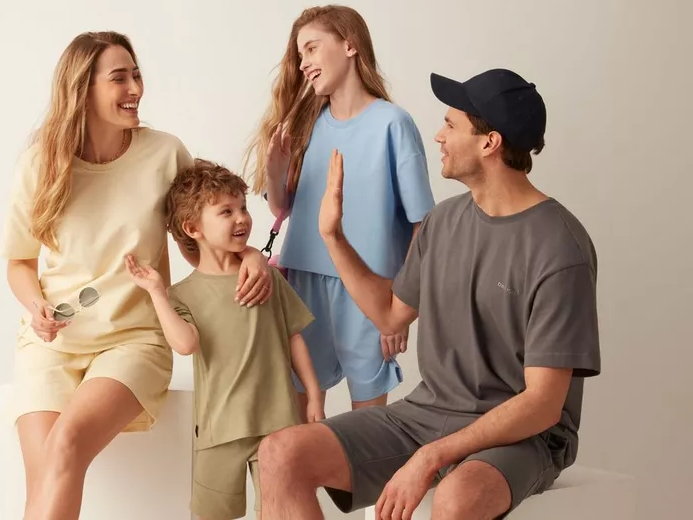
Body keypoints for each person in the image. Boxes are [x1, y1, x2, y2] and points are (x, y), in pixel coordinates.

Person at [258, 68, 601, 520]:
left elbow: (542, 405)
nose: (438, 135)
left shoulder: (560, 247)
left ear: (489, 142)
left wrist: (430, 456)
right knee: (281, 453)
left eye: (450, 124)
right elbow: (389, 316)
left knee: (455, 497)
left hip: (525, 437)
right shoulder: (443, 222)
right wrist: (333, 237)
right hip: (429, 413)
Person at [1, 31, 274, 520]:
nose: (136, 88)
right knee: (43, 475)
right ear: (82, 89)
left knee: (65, 445)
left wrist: (249, 253)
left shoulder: (164, 154)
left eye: (137, 74)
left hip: (133, 340)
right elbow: (19, 261)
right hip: (52, 342)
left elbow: (205, 231)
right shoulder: (40, 164)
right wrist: (34, 306)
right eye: (119, 77)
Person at [243, 5, 435, 419]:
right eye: (299, 55)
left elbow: (425, 225)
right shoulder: (309, 124)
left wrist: (399, 310)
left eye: (311, 48)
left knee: (365, 428)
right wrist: (276, 172)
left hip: (368, 288)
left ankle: (360, 488)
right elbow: (284, 208)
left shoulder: (392, 124)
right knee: (296, 421)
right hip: (302, 285)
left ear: (350, 45)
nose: (304, 63)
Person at [125, 158, 324, 520]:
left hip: (276, 424)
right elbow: (185, 344)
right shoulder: (181, 296)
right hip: (219, 430)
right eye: (226, 211)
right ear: (193, 228)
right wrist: (156, 291)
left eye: (244, 208)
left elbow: (294, 337)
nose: (242, 218)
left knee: (282, 511)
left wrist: (312, 395)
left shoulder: (266, 279)